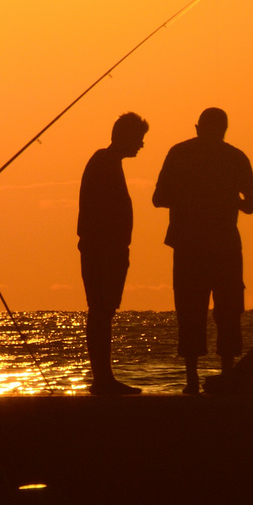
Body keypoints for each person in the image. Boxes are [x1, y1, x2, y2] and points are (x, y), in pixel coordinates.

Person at [152, 107, 253, 394]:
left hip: (188, 246)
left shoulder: (179, 153)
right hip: (224, 244)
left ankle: (191, 380)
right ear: (224, 129)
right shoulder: (236, 157)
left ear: (198, 127)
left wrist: (190, 199)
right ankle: (226, 374)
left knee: (190, 310)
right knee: (228, 310)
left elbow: (158, 198)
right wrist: (228, 201)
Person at [78, 111, 149, 396]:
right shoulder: (103, 163)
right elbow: (99, 214)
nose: (141, 145)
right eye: (139, 139)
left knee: (104, 311)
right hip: (102, 251)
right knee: (101, 310)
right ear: (125, 136)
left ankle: (104, 378)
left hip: (110, 250)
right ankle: (103, 379)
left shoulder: (108, 163)